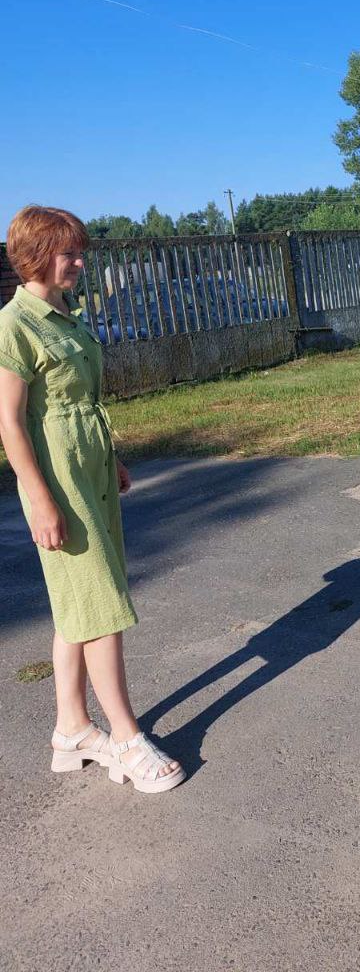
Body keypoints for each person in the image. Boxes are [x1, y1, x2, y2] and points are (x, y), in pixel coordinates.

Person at [0, 206, 184, 792]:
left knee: (77, 606)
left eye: (81, 251)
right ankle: (128, 741)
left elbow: (78, 403)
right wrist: (39, 496)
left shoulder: (65, 315)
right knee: (100, 603)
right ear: (35, 254)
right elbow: (9, 422)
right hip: (57, 480)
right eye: (68, 252)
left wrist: (112, 457)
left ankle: (72, 729)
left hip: (90, 468)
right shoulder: (14, 322)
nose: (80, 261)